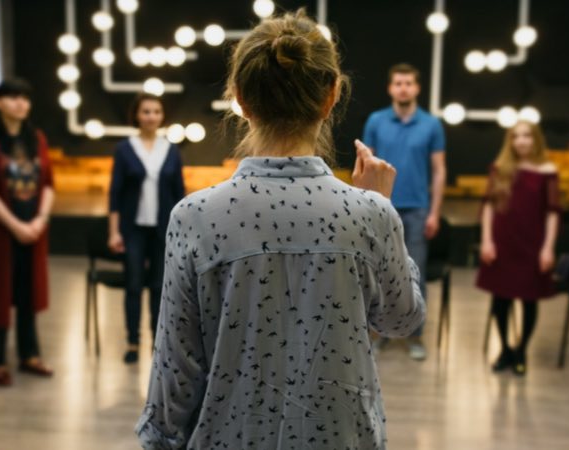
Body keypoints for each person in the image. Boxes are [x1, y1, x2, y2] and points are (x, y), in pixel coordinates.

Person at [135, 10, 424, 449]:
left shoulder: (195, 217)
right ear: (331, 97)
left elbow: (176, 369)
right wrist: (382, 208)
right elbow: (403, 318)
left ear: (240, 100)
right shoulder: (369, 214)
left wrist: (159, 441)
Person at [0, 79, 55, 387]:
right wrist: (16, 226)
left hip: (33, 229)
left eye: (25, 98)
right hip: (1, 233)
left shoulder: (37, 138)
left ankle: (29, 354)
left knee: (28, 291)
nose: (21, 103)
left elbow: (48, 184)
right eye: (13, 97)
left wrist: (39, 221)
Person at [362, 62, 446, 360]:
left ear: (417, 88)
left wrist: (435, 212)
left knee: (416, 273)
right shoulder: (376, 120)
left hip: (417, 211)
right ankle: (380, 332)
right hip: (381, 207)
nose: (403, 88)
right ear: (390, 88)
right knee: (378, 274)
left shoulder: (431, 124)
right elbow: (366, 164)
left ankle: (415, 336)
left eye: (408, 83)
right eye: (398, 83)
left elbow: (438, 171)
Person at [476, 121, 560, 376]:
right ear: (510, 141)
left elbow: (553, 213)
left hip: (533, 243)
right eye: (516, 137)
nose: (522, 141)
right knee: (500, 299)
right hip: (503, 242)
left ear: (536, 140)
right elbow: (489, 206)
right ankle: (504, 350)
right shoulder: (500, 168)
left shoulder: (548, 170)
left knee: (529, 299)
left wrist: (548, 248)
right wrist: (487, 240)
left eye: (527, 136)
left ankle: (522, 349)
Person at [108, 93, 185, 364]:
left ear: (162, 116)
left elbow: (179, 194)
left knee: (158, 287)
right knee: (133, 285)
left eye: (156, 111)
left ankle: (157, 343)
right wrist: (114, 232)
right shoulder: (125, 149)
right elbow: (115, 193)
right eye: (146, 111)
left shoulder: (171, 150)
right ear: (137, 115)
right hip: (133, 230)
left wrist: (182, 235)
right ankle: (132, 341)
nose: (151, 116)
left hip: (163, 231)